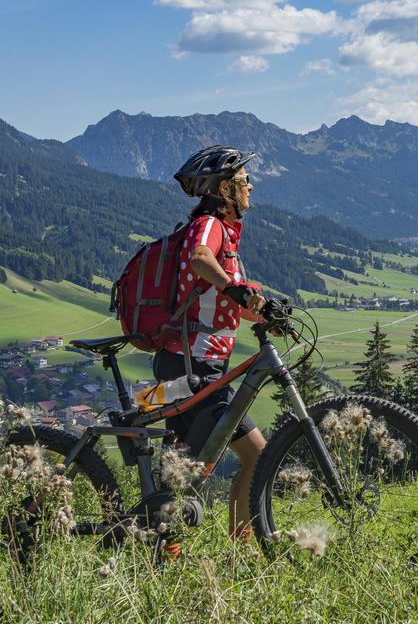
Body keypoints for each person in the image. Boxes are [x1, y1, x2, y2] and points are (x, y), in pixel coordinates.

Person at [155, 145, 267, 539]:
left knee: (182, 471)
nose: (250, 186)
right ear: (224, 190)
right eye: (242, 180)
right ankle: (244, 550)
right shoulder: (209, 225)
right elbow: (200, 258)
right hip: (192, 368)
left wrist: (266, 313)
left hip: (197, 366)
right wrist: (233, 287)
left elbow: (228, 300)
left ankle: (158, 551)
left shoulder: (228, 237)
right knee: (254, 456)